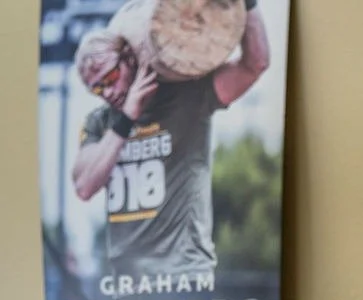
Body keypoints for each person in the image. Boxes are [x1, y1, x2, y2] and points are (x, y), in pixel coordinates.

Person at [71, 0, 270, 284]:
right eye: (97, 88)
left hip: (182, 275)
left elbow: (255, 64)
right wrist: (127, 118)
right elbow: (83, 186)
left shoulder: (187, 95)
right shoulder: (100, 123)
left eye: (111, 77)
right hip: (126, 282)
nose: (108, 92)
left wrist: (248, 4)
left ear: (128, 57)